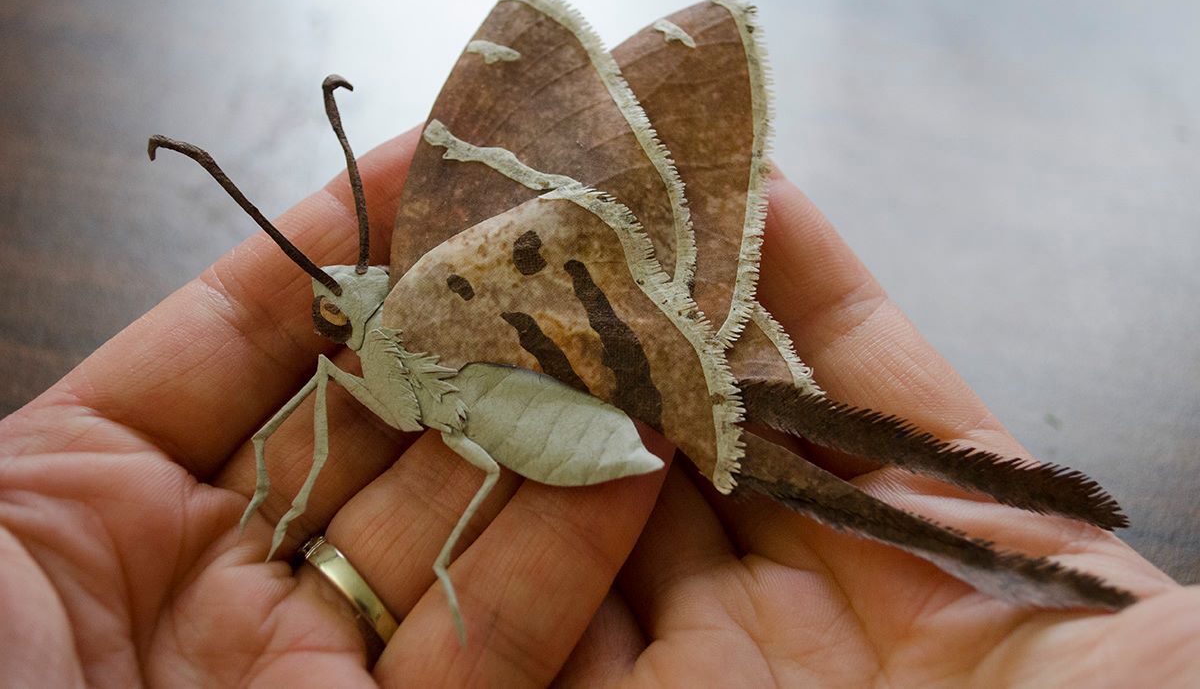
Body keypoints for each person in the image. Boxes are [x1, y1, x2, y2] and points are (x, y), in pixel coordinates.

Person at [0, 129, 1194, 687]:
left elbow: (334, 396)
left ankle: (1049, 571)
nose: (327, 353)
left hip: (573, 419)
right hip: (563, 419)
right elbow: (336, 388)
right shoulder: (363, 359)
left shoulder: (376, 352)